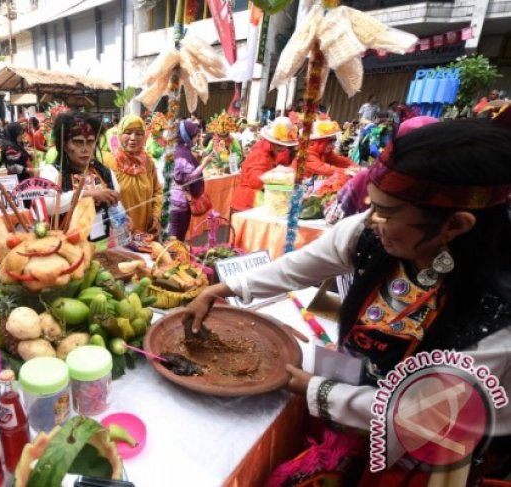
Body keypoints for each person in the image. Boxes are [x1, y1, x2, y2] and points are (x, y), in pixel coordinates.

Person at [184, 116, 511, 484]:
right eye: (373, 205)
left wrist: (316, 389)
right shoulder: (374, 232)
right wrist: (222, 289)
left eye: (386, 212)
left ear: (455, 226)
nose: (370, 221)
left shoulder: (497, 320)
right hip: (351, 416)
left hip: (419, 457)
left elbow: (420, 415)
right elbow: (297, 267)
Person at [40, 112, 120, 243]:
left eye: (90, 142)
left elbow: (115, 206)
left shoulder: (105, 173)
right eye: (78, 142)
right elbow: (46, 205)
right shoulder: (52, 173)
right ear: (65, 145)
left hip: (101, 246)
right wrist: (87, 194)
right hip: (65, 248)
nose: (85, 149)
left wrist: (123, 219)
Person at [104, 115, 163, 235]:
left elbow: (158, 191)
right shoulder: (108, 161)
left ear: (144, 136)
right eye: (128, 132)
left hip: (145, 231)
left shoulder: (148, 162)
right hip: (118, 234)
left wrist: (156, 215)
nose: (133, 138)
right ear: (119, 134)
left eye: (139, 133)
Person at [230, 117, 297, 214]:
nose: (283, 149)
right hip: (246, 204)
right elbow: (255, 182)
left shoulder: (268, 153)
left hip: (251, 203)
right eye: (280, 145)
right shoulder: (260, 153)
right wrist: (276, 173)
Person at [168, 119, 214, 240]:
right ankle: (175, 257)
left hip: (174, 199)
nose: (196, 139)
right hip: (179, 202)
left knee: (175, 237)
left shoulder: (178, 150)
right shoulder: (182, 154)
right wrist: (204, 164)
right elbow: (189, 178)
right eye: (195, 136)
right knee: (177, 237)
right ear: (186, 136)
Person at [294, 117, 359, 178]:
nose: (332, 145)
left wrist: (355, 166)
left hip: (307, 183)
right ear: (317, 142)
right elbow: (323, 169)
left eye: (334, 141)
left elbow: (339, 160)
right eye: (329, 142)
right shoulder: (306, 153)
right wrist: (347, 171)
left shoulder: (324, 152)